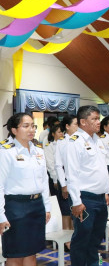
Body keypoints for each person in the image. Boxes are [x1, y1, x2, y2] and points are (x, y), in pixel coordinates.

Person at [0, 113, 51, 265]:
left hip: (36, 206)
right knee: (16, 255)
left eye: (33, 126)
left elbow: (44, 181)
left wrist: (46, 207)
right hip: (15, 208)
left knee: (31, 252)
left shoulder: (38, 151)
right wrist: (1, 216)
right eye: (26, 126)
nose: (31, 130)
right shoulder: (6, 151)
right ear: (14, 130)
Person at [66, 105, 109, 266]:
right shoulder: (75, 142)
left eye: (98, 118)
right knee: (82, 240)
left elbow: (100, 168)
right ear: (83, 122)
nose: (98, 122)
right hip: (85, 199)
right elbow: (71, 174)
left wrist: (105, 192)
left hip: (99, 198)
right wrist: (76, 202)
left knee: (95, 239)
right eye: (94, 119)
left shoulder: (97, 139)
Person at [55, 115, 78, 252]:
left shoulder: (80, 140)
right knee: (66, 211)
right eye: (75, 124)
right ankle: (67, 241)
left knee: (76, 211)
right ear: (67, 126)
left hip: (77, 180)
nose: (77, 127)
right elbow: (58, 165)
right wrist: (63, 185)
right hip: (66, 180)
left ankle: (75, 237)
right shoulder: (61, 142)